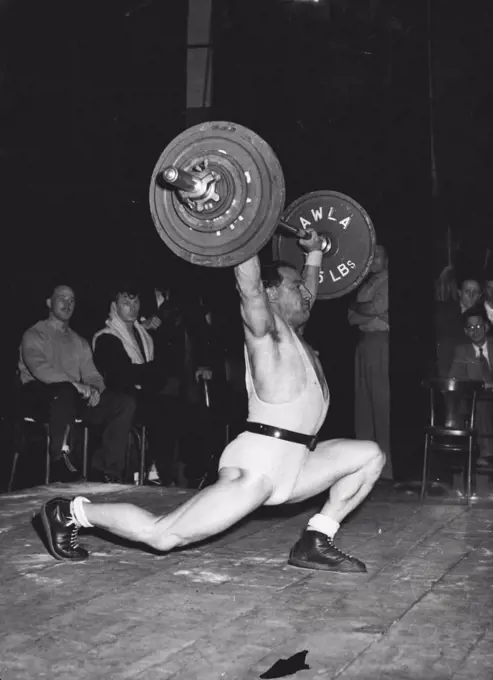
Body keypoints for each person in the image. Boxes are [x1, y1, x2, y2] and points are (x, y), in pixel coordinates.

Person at [40, 233, 385, 572]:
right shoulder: (266, 333)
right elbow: (249, 288)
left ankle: (316, 540)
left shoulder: (296, 335)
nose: (306, 294)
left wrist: (314, 255)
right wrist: (245, 233)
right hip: (259, 465)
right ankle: (69, 512)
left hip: (298, 463)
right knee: (162, 535)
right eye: (295, 287)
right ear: (271, 294)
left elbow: (307, 294)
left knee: (368, 455)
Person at [19, 284, 136, 482]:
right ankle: (60, 461)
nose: (67, 303)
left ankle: (107, 471)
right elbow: (39, 369)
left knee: (123, 403)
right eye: (62, 298)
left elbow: (92, 374)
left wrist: (96, 389)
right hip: (40, 397)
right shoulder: (34, 334)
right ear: (49, 302)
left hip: (72, 399)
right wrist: (75, 385)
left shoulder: (79, 341)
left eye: (71, 300)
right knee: (64, 392)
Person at [92, 282, 174, 484]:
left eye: (135, 300)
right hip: (120, 403)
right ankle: (162, 477)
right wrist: (150, 372)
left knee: (181, 409)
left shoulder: (146, 336)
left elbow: (162, 372)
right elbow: (122, 377)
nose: (132, 306)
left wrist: (146, 373)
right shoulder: (106, 338)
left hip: (144, 398)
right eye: (125, 301)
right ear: (114, 306)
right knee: (162, 411)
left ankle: (189, 475)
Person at [348, 245, 391, 480]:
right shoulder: (366, 284)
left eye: (379, 255)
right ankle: (363, 466)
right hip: (363, 342)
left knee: (381, 405)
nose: (373, 259)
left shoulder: (388, 281)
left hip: (381, 343)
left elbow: (378, 308)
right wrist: (366, 310)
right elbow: (351, 317)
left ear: (387, 259)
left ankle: (387, 468)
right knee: (363, 405)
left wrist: (361, 308)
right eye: (371, 254)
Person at [449, 305, 493, 464]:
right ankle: (488, 454)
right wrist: (478, 384)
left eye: (479, 326)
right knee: (481, 403)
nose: (475, 330)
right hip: (475, 397)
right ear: (465, 332)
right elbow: (454, 377)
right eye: (470, 327)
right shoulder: (462, 350)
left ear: (487, 327)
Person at [434, 277, 482, 377]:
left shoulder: (484, 315)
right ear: (459, 292)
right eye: (467, 291)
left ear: (480, 295)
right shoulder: (444, 313)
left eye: (475, 292)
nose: (471, 295)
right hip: (449, 371)